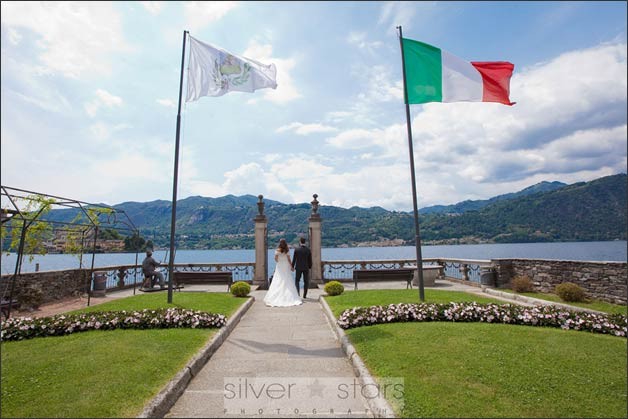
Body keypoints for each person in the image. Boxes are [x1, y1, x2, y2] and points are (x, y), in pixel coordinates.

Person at [263, 238, 302, 307]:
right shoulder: (287, 250)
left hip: (280, 266)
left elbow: (275, 259)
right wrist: (291, 267)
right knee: (287, 280)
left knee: (278, 279)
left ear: (280, 243)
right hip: (286, 266)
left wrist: (279, 261)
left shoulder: (277, 250)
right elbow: (289, 259)